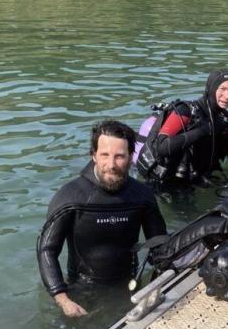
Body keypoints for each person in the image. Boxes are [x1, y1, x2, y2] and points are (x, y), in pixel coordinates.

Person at [37, 120, 166, 317]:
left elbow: (159, 246)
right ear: (94, 156)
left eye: (119, 156)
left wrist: (159, 282)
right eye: (104, 155)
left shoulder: (142, 196)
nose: (111, 165)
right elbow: (47, 249)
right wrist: (62, 299)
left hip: (129, 285)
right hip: (82, 291)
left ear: (131, 157)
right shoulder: (70, 196)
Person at [135, 70, 228, 186]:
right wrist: (204, 130)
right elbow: (162, 147)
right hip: (169, 182)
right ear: (211, 88)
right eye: (222, 89)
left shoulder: (224, 117)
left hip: (201, 178)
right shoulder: (185, 111)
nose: (227, 96)